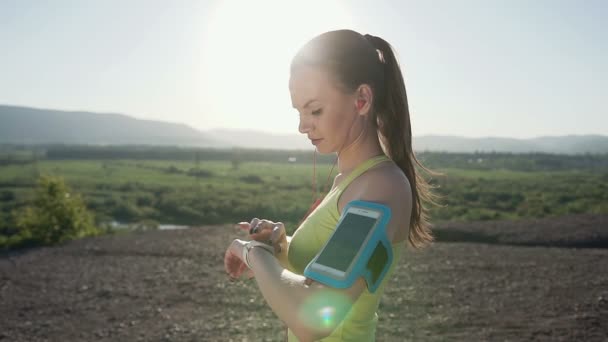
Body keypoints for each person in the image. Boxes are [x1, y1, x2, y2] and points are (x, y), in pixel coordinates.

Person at [224, 29, 436, 341]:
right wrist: (281, 246)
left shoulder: (380, 189)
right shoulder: (352, 184)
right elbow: (329, 268)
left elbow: (315, 318)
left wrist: (252, 252)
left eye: (315, 110)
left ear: (361, 100)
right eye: (299, 111)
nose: (302, 125)